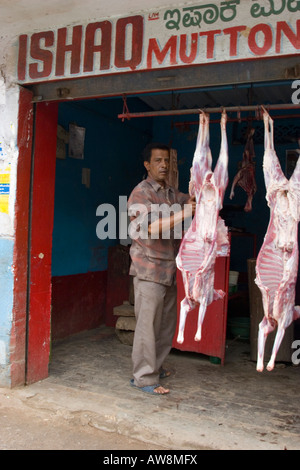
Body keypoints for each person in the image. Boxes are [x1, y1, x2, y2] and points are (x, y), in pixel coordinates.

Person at [127, 142, 196, 395]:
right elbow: (151, 228)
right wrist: (185, 211)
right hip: (148, 270)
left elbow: (187, 199)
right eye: (158, 161)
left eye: (167, 160)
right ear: (147, 165)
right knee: (148, 326)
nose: (164, 165)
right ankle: (143, 378)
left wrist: (196, 196)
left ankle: (155, 366)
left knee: (166, 325)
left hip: (169, 268)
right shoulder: (140, 193)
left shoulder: (169, 193)